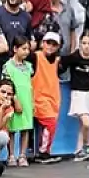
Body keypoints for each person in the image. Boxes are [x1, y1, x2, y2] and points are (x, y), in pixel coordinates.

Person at [63, 31, 89, 161]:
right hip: (78, 92)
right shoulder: (73, 57)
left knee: (82, 124)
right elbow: (61, 65)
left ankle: (79, 150)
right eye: (84, 43)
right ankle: (88, 145)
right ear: (79, 43)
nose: (86, 46)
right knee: (86, 123)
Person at [1, 37, 35, 166]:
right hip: (13, 100)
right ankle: (11, 155)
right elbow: (7, 85)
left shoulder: (28, 67)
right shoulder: (8, 66)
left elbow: (30, 85)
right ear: (15, 49)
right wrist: (15, 100)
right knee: (12, 129)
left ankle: (22, 155)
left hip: (27, 101)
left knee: (25, 128)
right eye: (23, 48)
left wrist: (32, 102)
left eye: (28, 49)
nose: (26, 52)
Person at [31, 33, 63, 163]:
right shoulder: (35, 57)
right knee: (50, 124)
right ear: (42, 43)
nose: (50, 46)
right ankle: (43, 153)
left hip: (53, 101)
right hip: (39, 99)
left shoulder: (57, 61)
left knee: (49, 126)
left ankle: (44, 151)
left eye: (54, 44)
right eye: (48, 43)